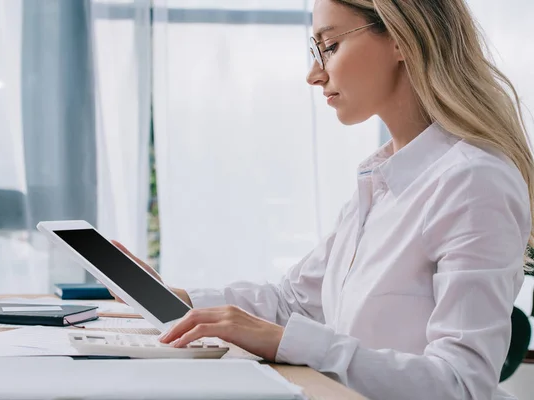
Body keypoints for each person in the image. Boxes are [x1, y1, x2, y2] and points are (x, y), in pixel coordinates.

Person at [113, 0, 534, 398]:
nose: (315, 73)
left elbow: (462, 386)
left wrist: (289, 343)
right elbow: (292, 301)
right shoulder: (383, 182)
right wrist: (175, 299)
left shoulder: (473, 181)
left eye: (330, 46)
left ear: (402, 38)